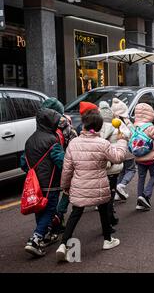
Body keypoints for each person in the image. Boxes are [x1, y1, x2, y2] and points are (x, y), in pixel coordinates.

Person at [56, 109, 127, 262]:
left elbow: (67, 169)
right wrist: (122, 141)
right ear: (99, 127)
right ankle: (108, 240)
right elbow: (118, 158)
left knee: (75, 213)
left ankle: (63, 244)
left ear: (84, 125)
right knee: (103, 209)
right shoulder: (103, 143)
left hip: (79, 186)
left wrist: (65, 186)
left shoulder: (74, 143)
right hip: (99, 185)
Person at [20, 108, 65, 257]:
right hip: (50, 183)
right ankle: (36, 238)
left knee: (39, 209)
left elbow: (23, 163)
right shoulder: (52, 140)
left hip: (35, 183)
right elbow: (60, 161)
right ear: (50, 122)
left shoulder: (29, 140)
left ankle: (44, 235)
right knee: (50, 209)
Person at [41, 98, 78, 235]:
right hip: (64, 161)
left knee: (49, 194)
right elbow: (74, 142)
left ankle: (51, 223)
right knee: (67, 190)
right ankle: (59, 215)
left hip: (46, 164)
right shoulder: (66, 124)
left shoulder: (42, 125)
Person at [133, 103, 154, 211]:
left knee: (141, 177)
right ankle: (145, 195)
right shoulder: (150, 127)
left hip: (138, 156)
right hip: (149, 157)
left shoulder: (134, 126)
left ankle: (139, 202)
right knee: (153, 176)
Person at [99, 102, 124, 227]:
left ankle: (108, 219)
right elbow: (126, 136)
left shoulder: (97, 128)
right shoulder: (116, 126)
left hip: (102, 165)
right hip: (114, 165)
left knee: (104, 195)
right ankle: (110, 219)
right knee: (111, 193)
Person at [112, 98, 135, 200]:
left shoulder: (110, 122)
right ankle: (121, 186)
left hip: (115, 151)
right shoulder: (126, 122)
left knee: (120, 171)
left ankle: (117, 193)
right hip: (127, 150)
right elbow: (132, 135)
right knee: (131, 169)